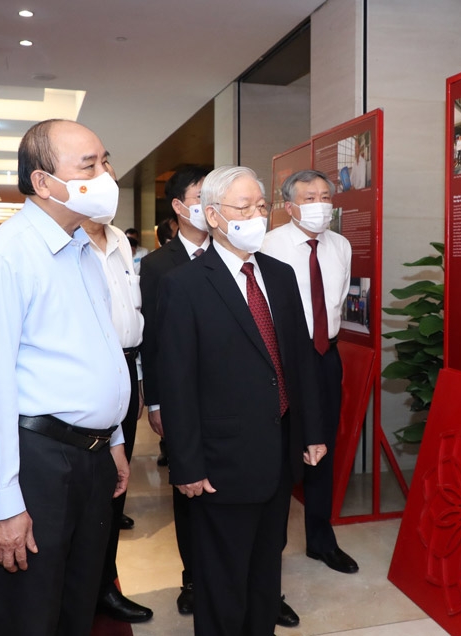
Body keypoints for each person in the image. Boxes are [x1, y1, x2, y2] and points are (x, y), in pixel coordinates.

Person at [0, 119, 131, 636]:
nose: (105, 175)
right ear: (43, 182)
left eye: (104, 161)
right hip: (35, 461)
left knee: (76, 607)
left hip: (91, 457)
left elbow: (101, 353)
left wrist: (115, 437)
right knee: (28, 615)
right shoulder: (2, 258)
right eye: (89, 166)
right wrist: (3, 502)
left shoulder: (82, 250)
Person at [157, 165, 326, 636]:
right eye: (242, 207)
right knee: (222, 581)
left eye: (260, 206)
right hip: (220, 463)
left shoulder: (280, 273)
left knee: (265, 574)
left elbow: (299, 361)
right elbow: (176, 382)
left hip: (278, 455)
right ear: (212, 215)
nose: (256, 214)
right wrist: (186, 465)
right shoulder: (185, 285)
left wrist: (311, 432)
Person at [262, 170, 358, 577]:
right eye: (310, 197)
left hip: (325, 357)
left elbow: (335, 302)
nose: (321, 204)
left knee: (324, 449)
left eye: (325, 196)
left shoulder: (340, 245)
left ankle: (321, 539)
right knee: (282, 453)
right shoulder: (269, 246)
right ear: (289, 206)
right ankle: (270, 555)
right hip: (282, 360)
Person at [138, 164, 210, 614]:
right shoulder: (159, 265)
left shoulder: (240, 253)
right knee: (189, 490)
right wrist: (157, 399)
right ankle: (193, 580)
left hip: (233, 397)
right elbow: (154, 337)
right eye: (202, 196)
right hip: (184, 397)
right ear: (180, 207)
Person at [80, 217, 153, 623]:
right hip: (88, 372)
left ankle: (103, 583)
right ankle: (81, 585)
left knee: (115, 486)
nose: (103, 174)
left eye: (106, 163)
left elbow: (132, 314)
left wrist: (137, 379)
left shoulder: (120, 244)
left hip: (125, 366)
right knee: (87, 486)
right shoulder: (65, 242)